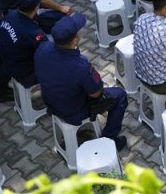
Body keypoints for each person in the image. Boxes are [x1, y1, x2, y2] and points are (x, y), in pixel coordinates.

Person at [35, 14, 129, 150]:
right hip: (74, 110)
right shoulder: (80, 66)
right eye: (78, 32)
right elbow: (96, 93)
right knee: (120, 95)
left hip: (50, 101)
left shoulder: (42, 49)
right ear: (74, 40)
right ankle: (109, 140)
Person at [0, 0, 48, 88]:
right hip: (25, 74)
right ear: (36, 8)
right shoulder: (33, 33)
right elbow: (47, 53)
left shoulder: (10, 15)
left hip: (7, 61)